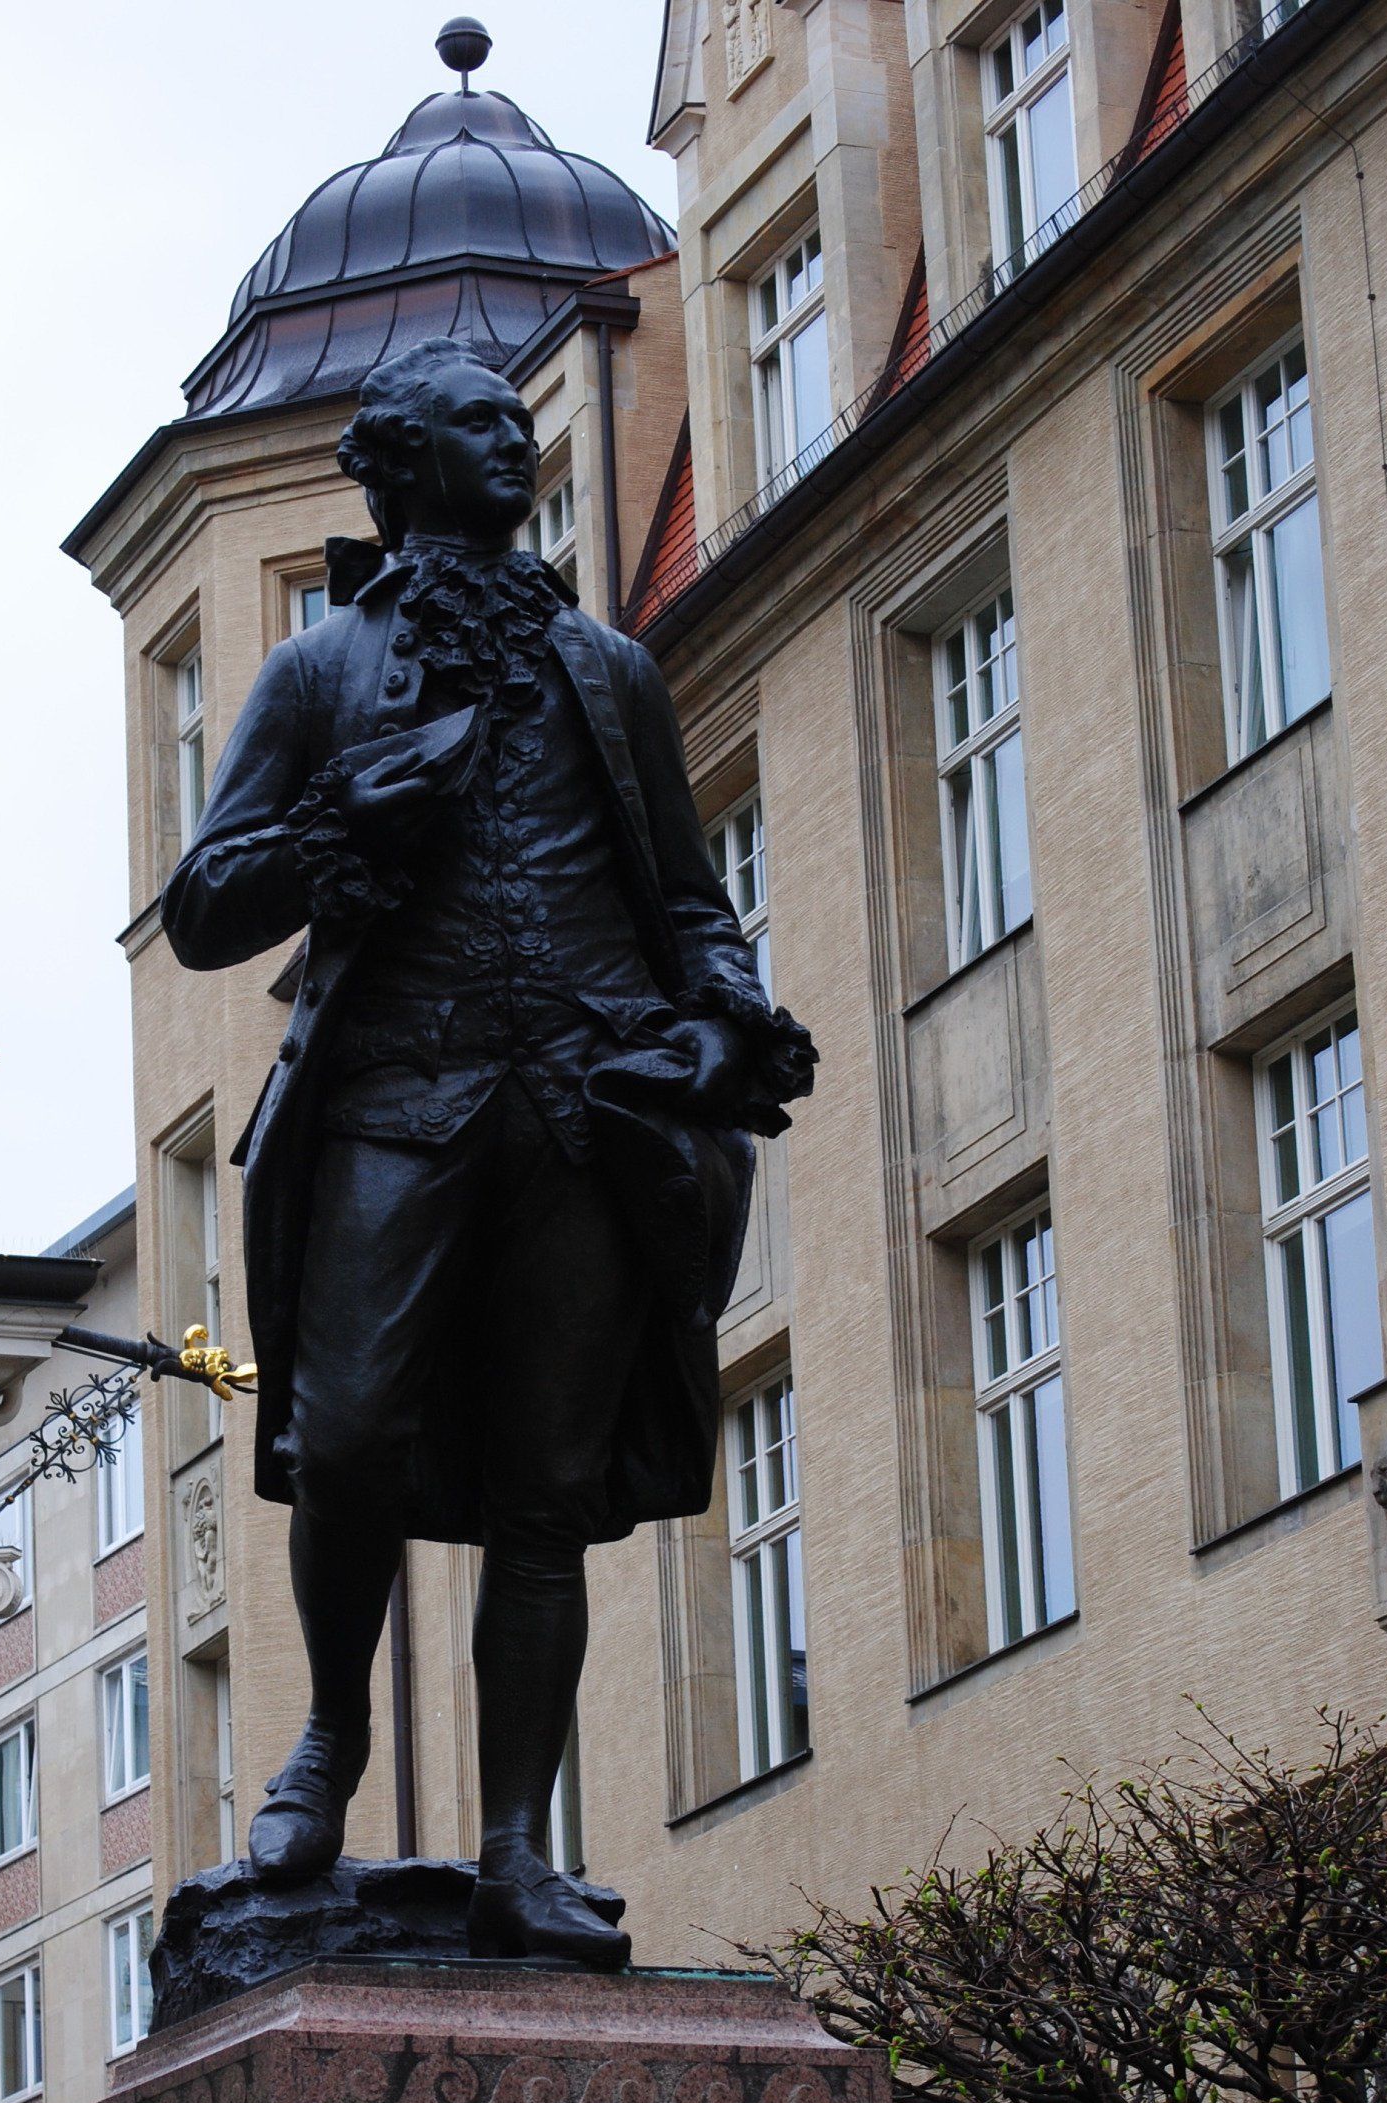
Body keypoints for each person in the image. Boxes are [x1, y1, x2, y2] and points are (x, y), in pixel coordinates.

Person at [163, 335, 815, 1971]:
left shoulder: (608, 670)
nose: (507, 445)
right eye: (470, 428)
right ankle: (326, 1747)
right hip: (398, 1086)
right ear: (396, 467)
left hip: (586, 1108)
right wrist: (342, 835)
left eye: (509, 424)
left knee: (549, 1485)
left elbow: (684, 902)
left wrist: (733, 1015)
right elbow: (207, 903)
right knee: (351, 1423)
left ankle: (523, 1845)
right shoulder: (321, 672)